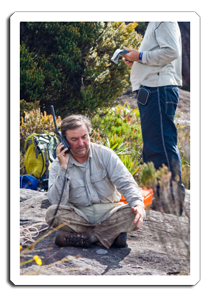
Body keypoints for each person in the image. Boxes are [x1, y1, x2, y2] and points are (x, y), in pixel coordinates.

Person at [45, 114, 146, 249]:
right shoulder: (58, 165)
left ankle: (90, 238)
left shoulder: (105, 154)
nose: (81, 143)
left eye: (84, 137)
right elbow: (57, 203)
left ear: (89, 134)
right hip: (79, 214)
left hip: (109, 212)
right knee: (52, 214)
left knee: (136, 211)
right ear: (64, 141)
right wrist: (64, 168)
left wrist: (138, 205)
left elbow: (126, 182)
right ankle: (111, 236)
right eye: (74, 139)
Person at [122, 22, 185, 215]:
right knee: (153, 148)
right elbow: (161, 54)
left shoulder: (164, 16)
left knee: (160, 147)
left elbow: (171, 52)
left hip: (159, 90)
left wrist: (140, 56)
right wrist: (138, 59)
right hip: (153, 89)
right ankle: (161, 199)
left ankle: (170, 204)